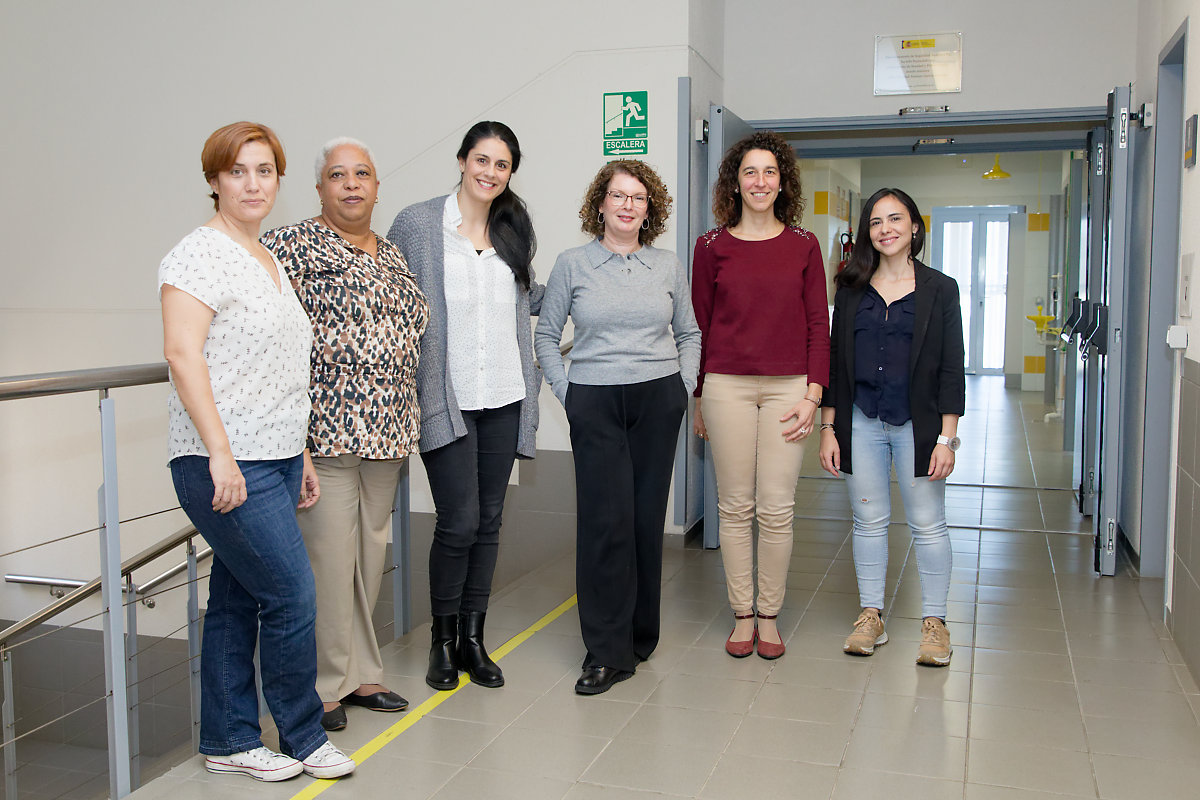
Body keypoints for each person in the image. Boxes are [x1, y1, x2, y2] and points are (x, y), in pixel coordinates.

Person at [158, 122, 355, 781]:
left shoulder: (267, 258)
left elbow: (278, 367)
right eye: (238, 171)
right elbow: (183, 356)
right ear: (214, 180)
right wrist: (219, 453)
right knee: (293, 593)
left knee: (240, 598)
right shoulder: (196, 254)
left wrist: (296, 453)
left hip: (272, 454)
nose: (252, 183)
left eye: (264, 171)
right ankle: (301, 734)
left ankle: (228, 738)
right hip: (222, 458)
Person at [262, 138, 429, 732]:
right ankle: (322, 686)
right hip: (324, 433)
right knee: (329, 561)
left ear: (378, 187)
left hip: (387, 432)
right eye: (339, 175)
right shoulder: (290, 246)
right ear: (320, 188)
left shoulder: (391, 255)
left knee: (367, 554)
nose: (352, 184)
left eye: (363, 174)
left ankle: (363, 674)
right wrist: (294, 438)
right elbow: (272, 340)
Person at [535, 159, 701, 695]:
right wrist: (570, 395)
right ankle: (605, 650)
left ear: (649, 209)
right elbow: (546, 337)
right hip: (596, 402)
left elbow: (690, 333)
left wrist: (681, 388)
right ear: (600, 204)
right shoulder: (572, 264)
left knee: (645, 520)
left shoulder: (668, 266)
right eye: (618, 195)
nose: (628, 205)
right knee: (606, 523)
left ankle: (639, 635)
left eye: (639, 198)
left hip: (657, 400)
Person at [386, 121, 541, 691]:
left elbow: (526, 298)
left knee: (491, 521)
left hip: (503, 392)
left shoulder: (513, 229)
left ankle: (475, 639)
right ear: (460, 160)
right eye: (482, 160)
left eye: (501, 165)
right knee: (459, 521)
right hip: (444, 398)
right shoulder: (418, 224)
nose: (490, 173)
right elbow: (393, 301)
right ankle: (441, 642)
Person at [692, 131, 830, 661]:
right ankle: (741, 614)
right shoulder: (711, 247)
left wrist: (814, 395)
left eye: (769, 172)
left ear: (782, 182)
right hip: (725, 386)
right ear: (735, 182)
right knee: (734, 506)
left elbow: (820, 323)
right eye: (749, 172)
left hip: (790, 389)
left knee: (776, 509)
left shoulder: (803, 244)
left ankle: (769, 616)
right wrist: (700, 397)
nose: (759, 181)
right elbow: (700, 328)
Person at [818, 187, 965, 667]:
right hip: (861, 421)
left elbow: (950, 368)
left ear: (915, 227)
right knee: (868, 521)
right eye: (876, 221)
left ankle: (936, 623)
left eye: (896, 219)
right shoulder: (849, 287)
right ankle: (871, 616)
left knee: (927, 523)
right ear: (867, 232)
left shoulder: (941, 289)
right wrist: (829, 428)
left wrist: (947, 437)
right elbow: (837, 365)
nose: (886, 229)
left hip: (918, 426)